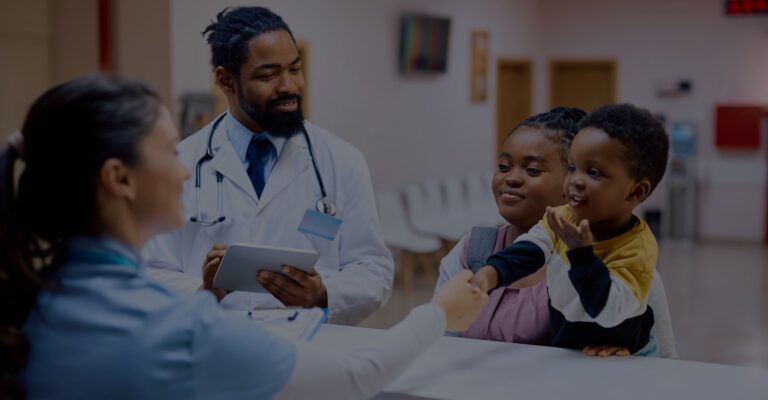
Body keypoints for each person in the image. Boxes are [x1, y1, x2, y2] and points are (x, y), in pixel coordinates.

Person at [0, 76, 488, 400]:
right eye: (170, 151)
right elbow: (354, 379)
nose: (186, 168)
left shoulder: (28, 301)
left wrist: (314, 291)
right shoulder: (179, 327)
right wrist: (439, 311)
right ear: (119, 178)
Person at [142, 6, 393, 324]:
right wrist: (203, 292)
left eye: (295, 69)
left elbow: (373, 269)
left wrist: (322, 294)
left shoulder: (342, 161)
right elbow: (150, 271)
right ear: (226, 81)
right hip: (214, 342)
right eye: (268, 74)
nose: (289, 86)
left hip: (311, 348)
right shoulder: (182, 162)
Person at [472, 103, 670, 356]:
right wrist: (492, 273)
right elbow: (531, 249)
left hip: (625, 355)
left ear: (636, 191)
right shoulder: (565, 217)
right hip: (572, 347)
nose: (575, 180)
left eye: (594, 172)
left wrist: (581, 254)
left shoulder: (637, 248)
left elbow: (608, 309)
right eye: (573, 167)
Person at [434, 107, 584, 344]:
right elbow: (442, 339)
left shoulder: (595, 262)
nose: (511, 178)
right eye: (504, 166)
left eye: (532, 170)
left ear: (575, 183)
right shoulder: (472, 251)